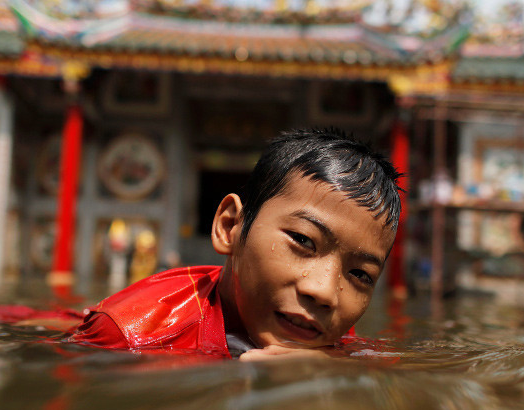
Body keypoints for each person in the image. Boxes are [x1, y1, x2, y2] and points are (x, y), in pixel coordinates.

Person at [69, 128, 403, 360]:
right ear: (230, 226)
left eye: (359, 275)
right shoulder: (129, 335)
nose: (326, 292)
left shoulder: (318, 323)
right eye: (303, 240)